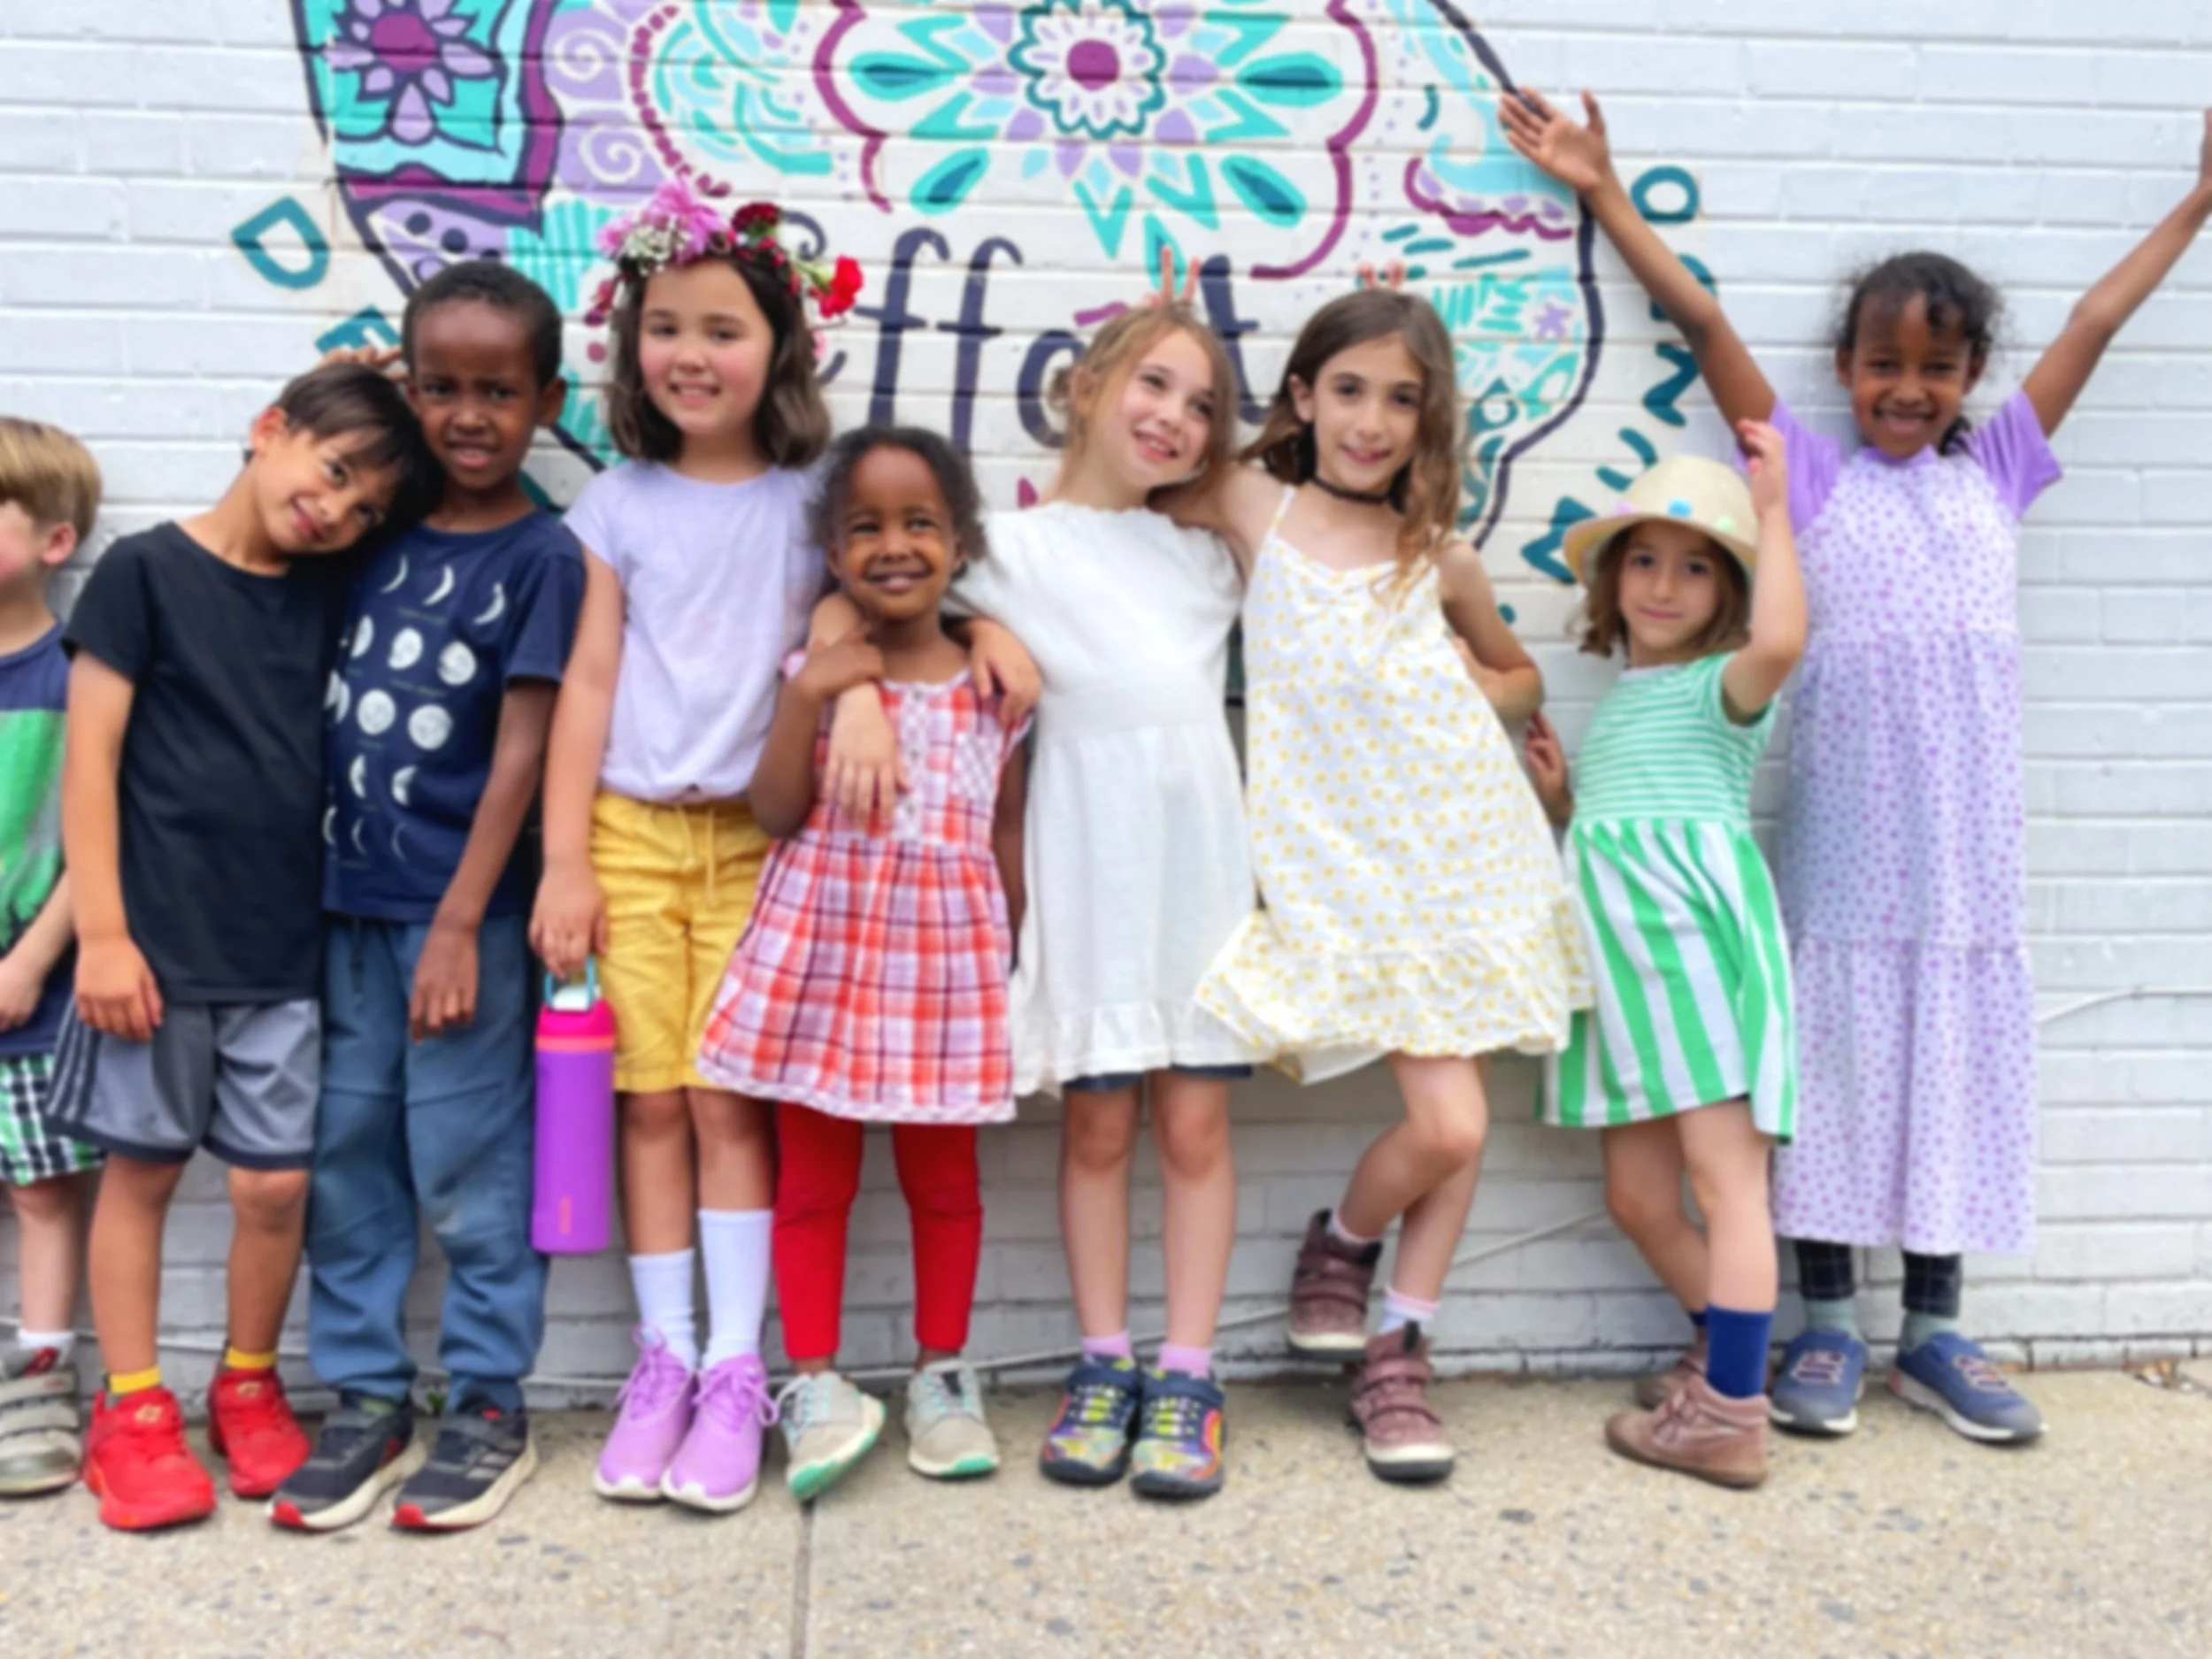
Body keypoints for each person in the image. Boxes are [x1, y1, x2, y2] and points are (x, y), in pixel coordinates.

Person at [1506, 89, 2212, 1445]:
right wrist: (1603, 190)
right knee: (1822, 1070)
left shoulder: (1997, 469)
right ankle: (1823, 1321)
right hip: (1840, 842)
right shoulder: (1810, 485)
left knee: (1949, 1056)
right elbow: (1705, 326)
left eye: (1936, 368)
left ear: (1970, 382)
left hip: (1967, 849)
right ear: (1843, 365)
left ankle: (1935, 1328)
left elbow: (2093, 327)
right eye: (1883, 362)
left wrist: (2195, 204)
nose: (1906, 387)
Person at [821, 295, 1258, 1500]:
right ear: (1083, 385)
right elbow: (859, 590)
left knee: (1196, 1126)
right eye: (1155, 384)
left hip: (1196, 871)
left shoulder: (1209, 550)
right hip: (1087, 864)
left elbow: (1323, 540)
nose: (1176, 416)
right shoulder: (1004, 551)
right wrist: (855, 684)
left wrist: (1238, 473)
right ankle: (1104, 1360)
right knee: (1101, 1124)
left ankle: (1188, 1371)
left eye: (1204, 403)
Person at [1170, 288, 1589, 1483]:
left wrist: (1478, 688)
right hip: (1339, 864)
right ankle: (1343, 1240)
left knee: (1458, 1128)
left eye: (1401, 399)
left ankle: (1397, 1344)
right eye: (1348, 389)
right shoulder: (1261, 503)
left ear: (1428, 418)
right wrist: (1155, 355)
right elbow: (1135, 483)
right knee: (1450, 1122)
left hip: (1459, 854)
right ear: (1302, 396)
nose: (1372, 419)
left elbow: (1515, 679)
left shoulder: (1437, 552)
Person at [45, 365, 432, 1531]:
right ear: (269, 430)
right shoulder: (144, 573)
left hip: (279, 953)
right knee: (144, 1171)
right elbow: (91, 764)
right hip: (152, 953)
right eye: (333, 469)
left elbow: (435, 513)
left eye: (366, 504)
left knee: (273, 1183)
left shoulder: (328, 591)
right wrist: (101, 934)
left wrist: (387, 405)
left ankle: (249, 1380)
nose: (339, 508)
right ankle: (131, 1405)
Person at [529, 180, 857, 1508]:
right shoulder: (614, 506)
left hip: (759, 843)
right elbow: (586, 690)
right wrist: (563, 859)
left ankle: (736, 1362)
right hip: (625, 835)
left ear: (778, 346)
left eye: (724, 328)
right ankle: (659, 1357)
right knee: (646, 1100)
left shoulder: (814, 499)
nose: (692, 354)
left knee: (731, 1102)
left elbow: (865, 629)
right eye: (666, 326)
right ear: (630, 344)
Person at [271, 262, 583, 1534]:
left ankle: (490, 1399)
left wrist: (459, 917)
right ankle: (363, 1393)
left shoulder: (546, 551)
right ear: (408, 383)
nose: (467, 414)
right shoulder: (376, 534)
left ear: (545, 399)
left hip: (467, 920)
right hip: (344, 908)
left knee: (466, 1158)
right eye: (442, 386)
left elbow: (522, 747)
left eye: (497, 391)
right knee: (347, 1153)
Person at [697, 426, 1028, 1502]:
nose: (895, 546)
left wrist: (1008, 952)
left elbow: (1005, 832)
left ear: (962, 541)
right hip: (828, 955)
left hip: (943, 966)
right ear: (833, 554)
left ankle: (942, 1373)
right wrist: (812, 697)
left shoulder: (996, 683)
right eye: (866, 529)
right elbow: (775, 810)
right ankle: (818, 1380)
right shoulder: (823, 666)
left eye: (921, 523)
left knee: (944, 1186)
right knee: (814, 1186)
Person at [1523, 431, 1806, 1487]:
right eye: (1644, 559)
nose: (1663, 584)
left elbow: (1781, 642)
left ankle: (1730, 1413)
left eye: (1696, 566)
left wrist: (1774, 515)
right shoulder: (1624, 703)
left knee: (1728, 1186)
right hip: (1624, 985)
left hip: (1694, 968)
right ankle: (1723, 1355)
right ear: (1611, 578)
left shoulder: (1721, 687)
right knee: (1638, 1198)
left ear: (1727, 592)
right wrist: (1564, 803)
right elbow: (1611, 838)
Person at [0, 419, 104, 1498]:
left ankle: (40, 1371)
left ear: (54, 541)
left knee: (40, 1190)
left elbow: (96, 842)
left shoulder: (75, 678)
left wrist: (32, 960)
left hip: (29, 984)